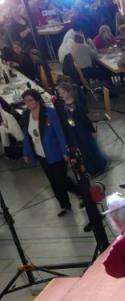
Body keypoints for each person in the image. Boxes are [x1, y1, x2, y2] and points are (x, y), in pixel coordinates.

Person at [19, 89, 85, 217]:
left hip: (56, 152)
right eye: (25, 101)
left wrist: (65, 151)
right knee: (54, 182)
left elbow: (60, 133)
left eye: (30, 100)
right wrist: (26, 152)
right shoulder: (26, 115)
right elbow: (26, 136)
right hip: (42, 155)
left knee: (61, 179)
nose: (27, 103)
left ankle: (80, 193)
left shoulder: (49, 113)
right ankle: (64, 205)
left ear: (37, 100)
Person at [56, 80, 108, 177]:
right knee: (83, 151)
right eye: (60, 93)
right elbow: (67, 118)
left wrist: (92, 131)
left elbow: (85, 118)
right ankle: (90, 168)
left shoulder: (77, 104)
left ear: (69, 92)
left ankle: (98, 167)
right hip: (74, 131)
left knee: (90, 149)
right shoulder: (63, 105)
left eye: (63, 93)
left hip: (83, 131)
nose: (61, 95)